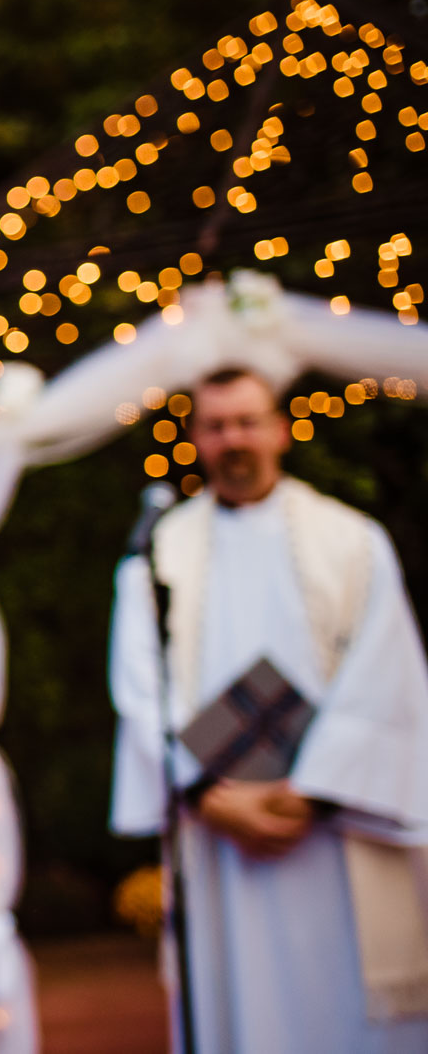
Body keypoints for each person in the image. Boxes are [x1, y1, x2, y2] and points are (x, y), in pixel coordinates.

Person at [109, 366, 428, 1053]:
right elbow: (139, 690)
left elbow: (389, 673)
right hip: (218, 831)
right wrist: (208, 795)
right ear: (194, 439)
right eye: (217, 425)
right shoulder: (157, 554)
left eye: (248, 421)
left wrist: (311, 793)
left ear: (281, 429)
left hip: (332, 827)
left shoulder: (352, 540)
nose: (234, 439)